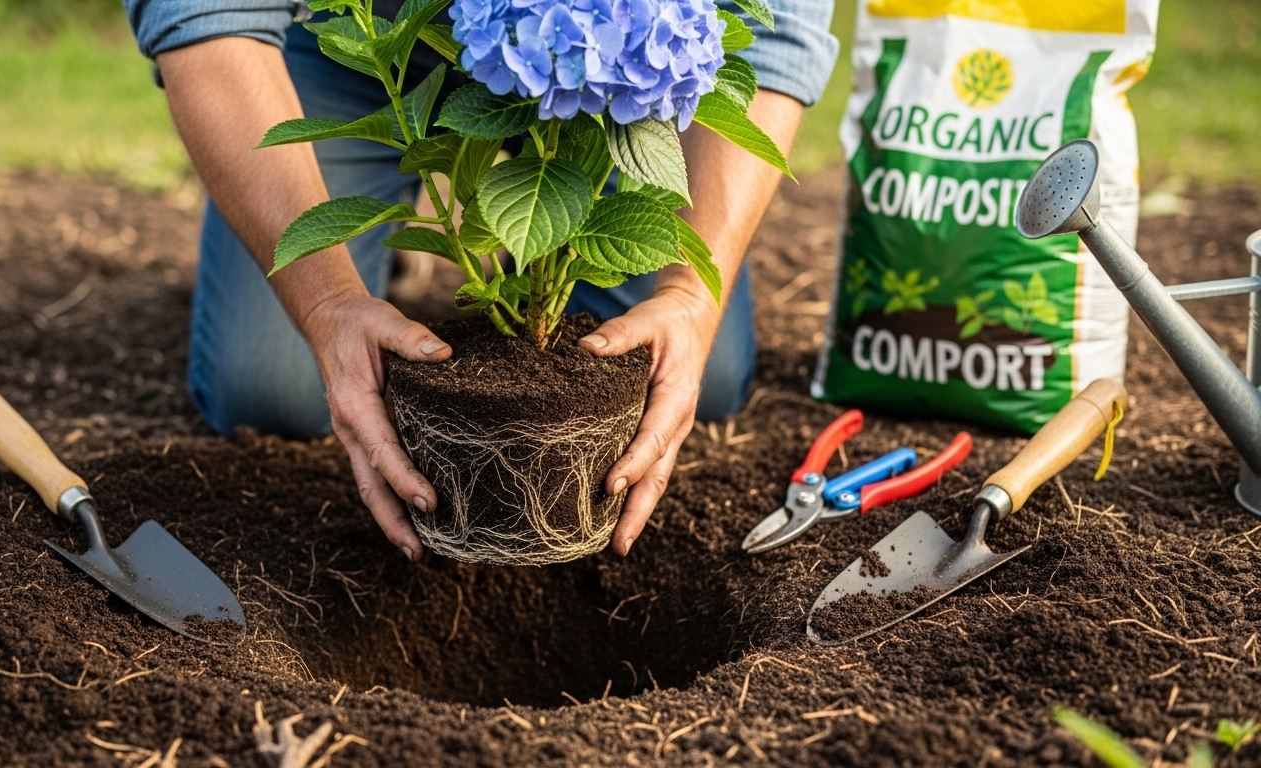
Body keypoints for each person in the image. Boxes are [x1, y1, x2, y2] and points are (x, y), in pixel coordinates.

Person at [123, 0, 838, 561]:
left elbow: (778, 35)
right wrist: (328, 300)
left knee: (689, 376)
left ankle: (537, 270)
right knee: (268, 391)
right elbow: (210, 15)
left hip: (613, 73)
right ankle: (406, 240)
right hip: (365, 41)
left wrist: (688, 294)